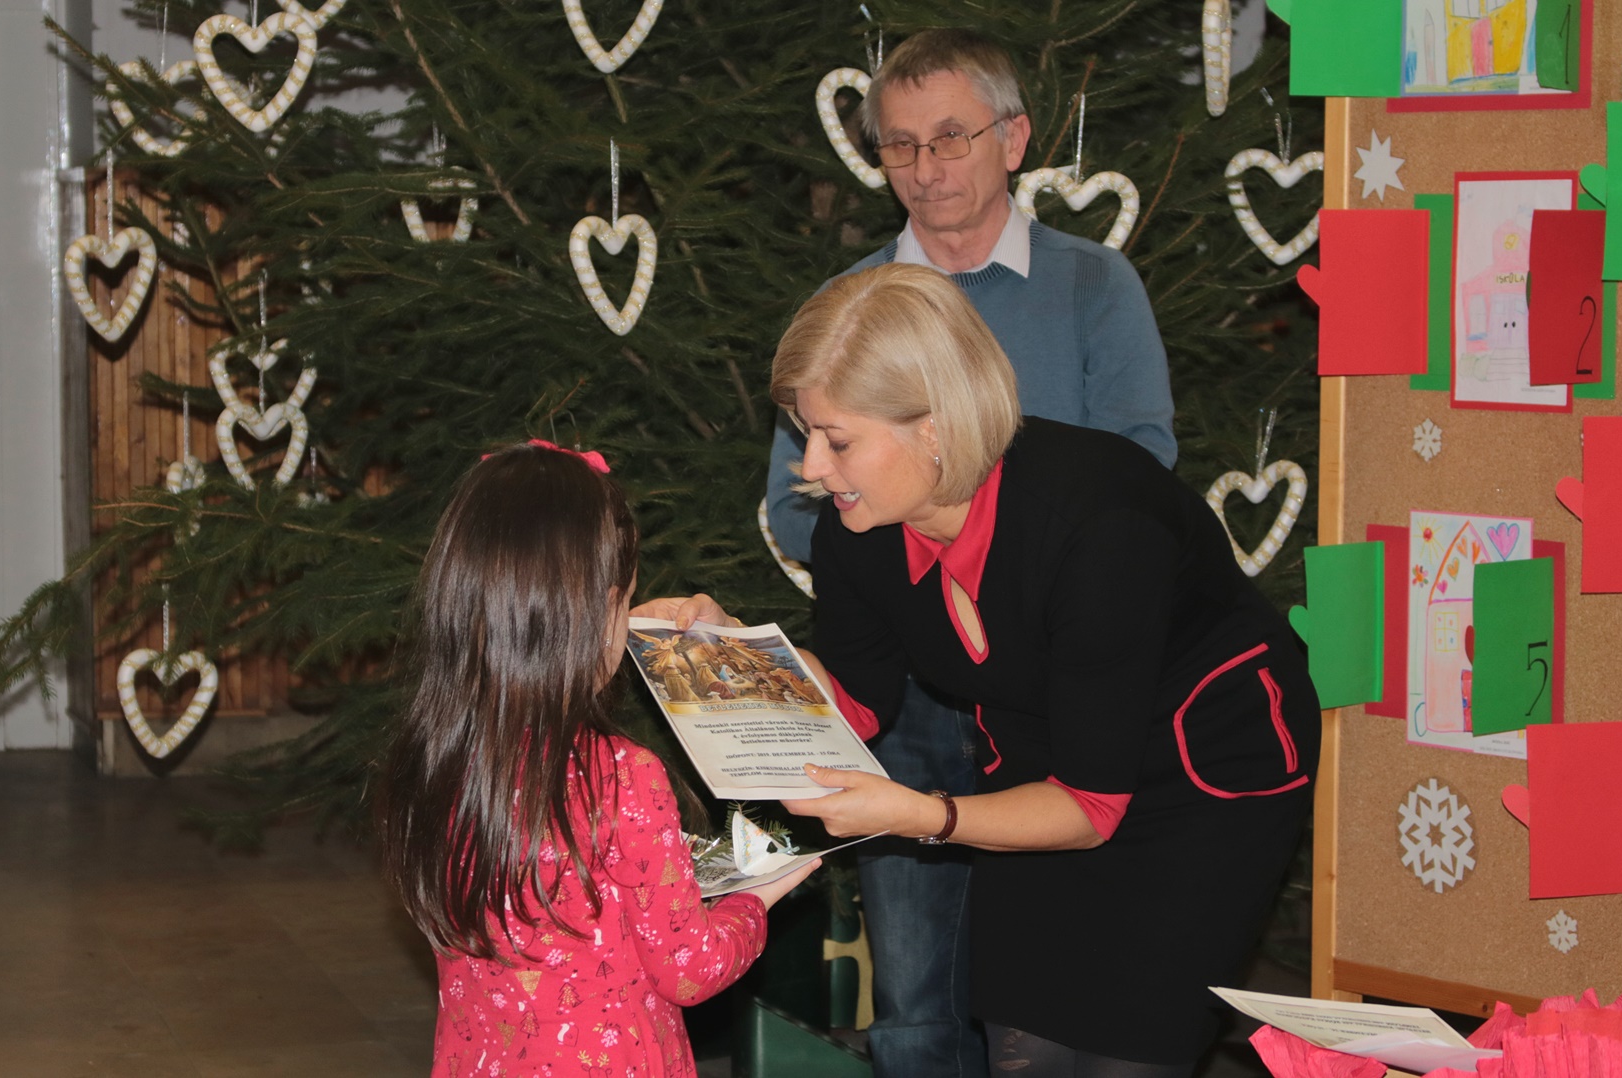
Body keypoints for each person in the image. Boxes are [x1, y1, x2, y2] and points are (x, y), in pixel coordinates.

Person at [708, 262, 1316, 1076]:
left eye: (837, 439)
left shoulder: (1100, 523)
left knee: (1129, 1048)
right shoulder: (860, 528)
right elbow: (855, 699)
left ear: (933, 428)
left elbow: (1091, 807)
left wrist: (923, 815)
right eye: (805, 432)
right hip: (1043, 763)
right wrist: (729, 656)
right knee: (1025, 1038)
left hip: (1202, 774)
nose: (811, 466)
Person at [762, 28, 1177, 1076]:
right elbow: (797, 498)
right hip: (902, 677)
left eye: (950, 137)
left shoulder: (1092, 286)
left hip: (1054, 685)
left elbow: (1139, 476)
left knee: (1043, 979)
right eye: (900, 145)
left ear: (1014, 138)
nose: (926, 167)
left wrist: (1003, 560)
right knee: (913, 985)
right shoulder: (849, 306)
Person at [378, 441, 819, 1076]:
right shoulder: (622, 775)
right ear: (601, 609)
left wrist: (610, 626)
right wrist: (754, 900)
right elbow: (689, 969)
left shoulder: (437, 756)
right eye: (624, 602)